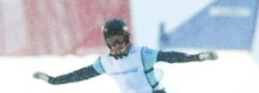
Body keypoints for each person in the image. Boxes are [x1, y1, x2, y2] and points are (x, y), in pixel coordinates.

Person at [32, 18, 218, 93]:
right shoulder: (106, 63)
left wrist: (198, 57)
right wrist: (53, 80)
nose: (117, 46)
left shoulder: (142, 54)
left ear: (127, 38)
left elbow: (170, 57)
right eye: (112, 42)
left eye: (120, 40)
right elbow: (81, 74)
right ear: (107, 43)